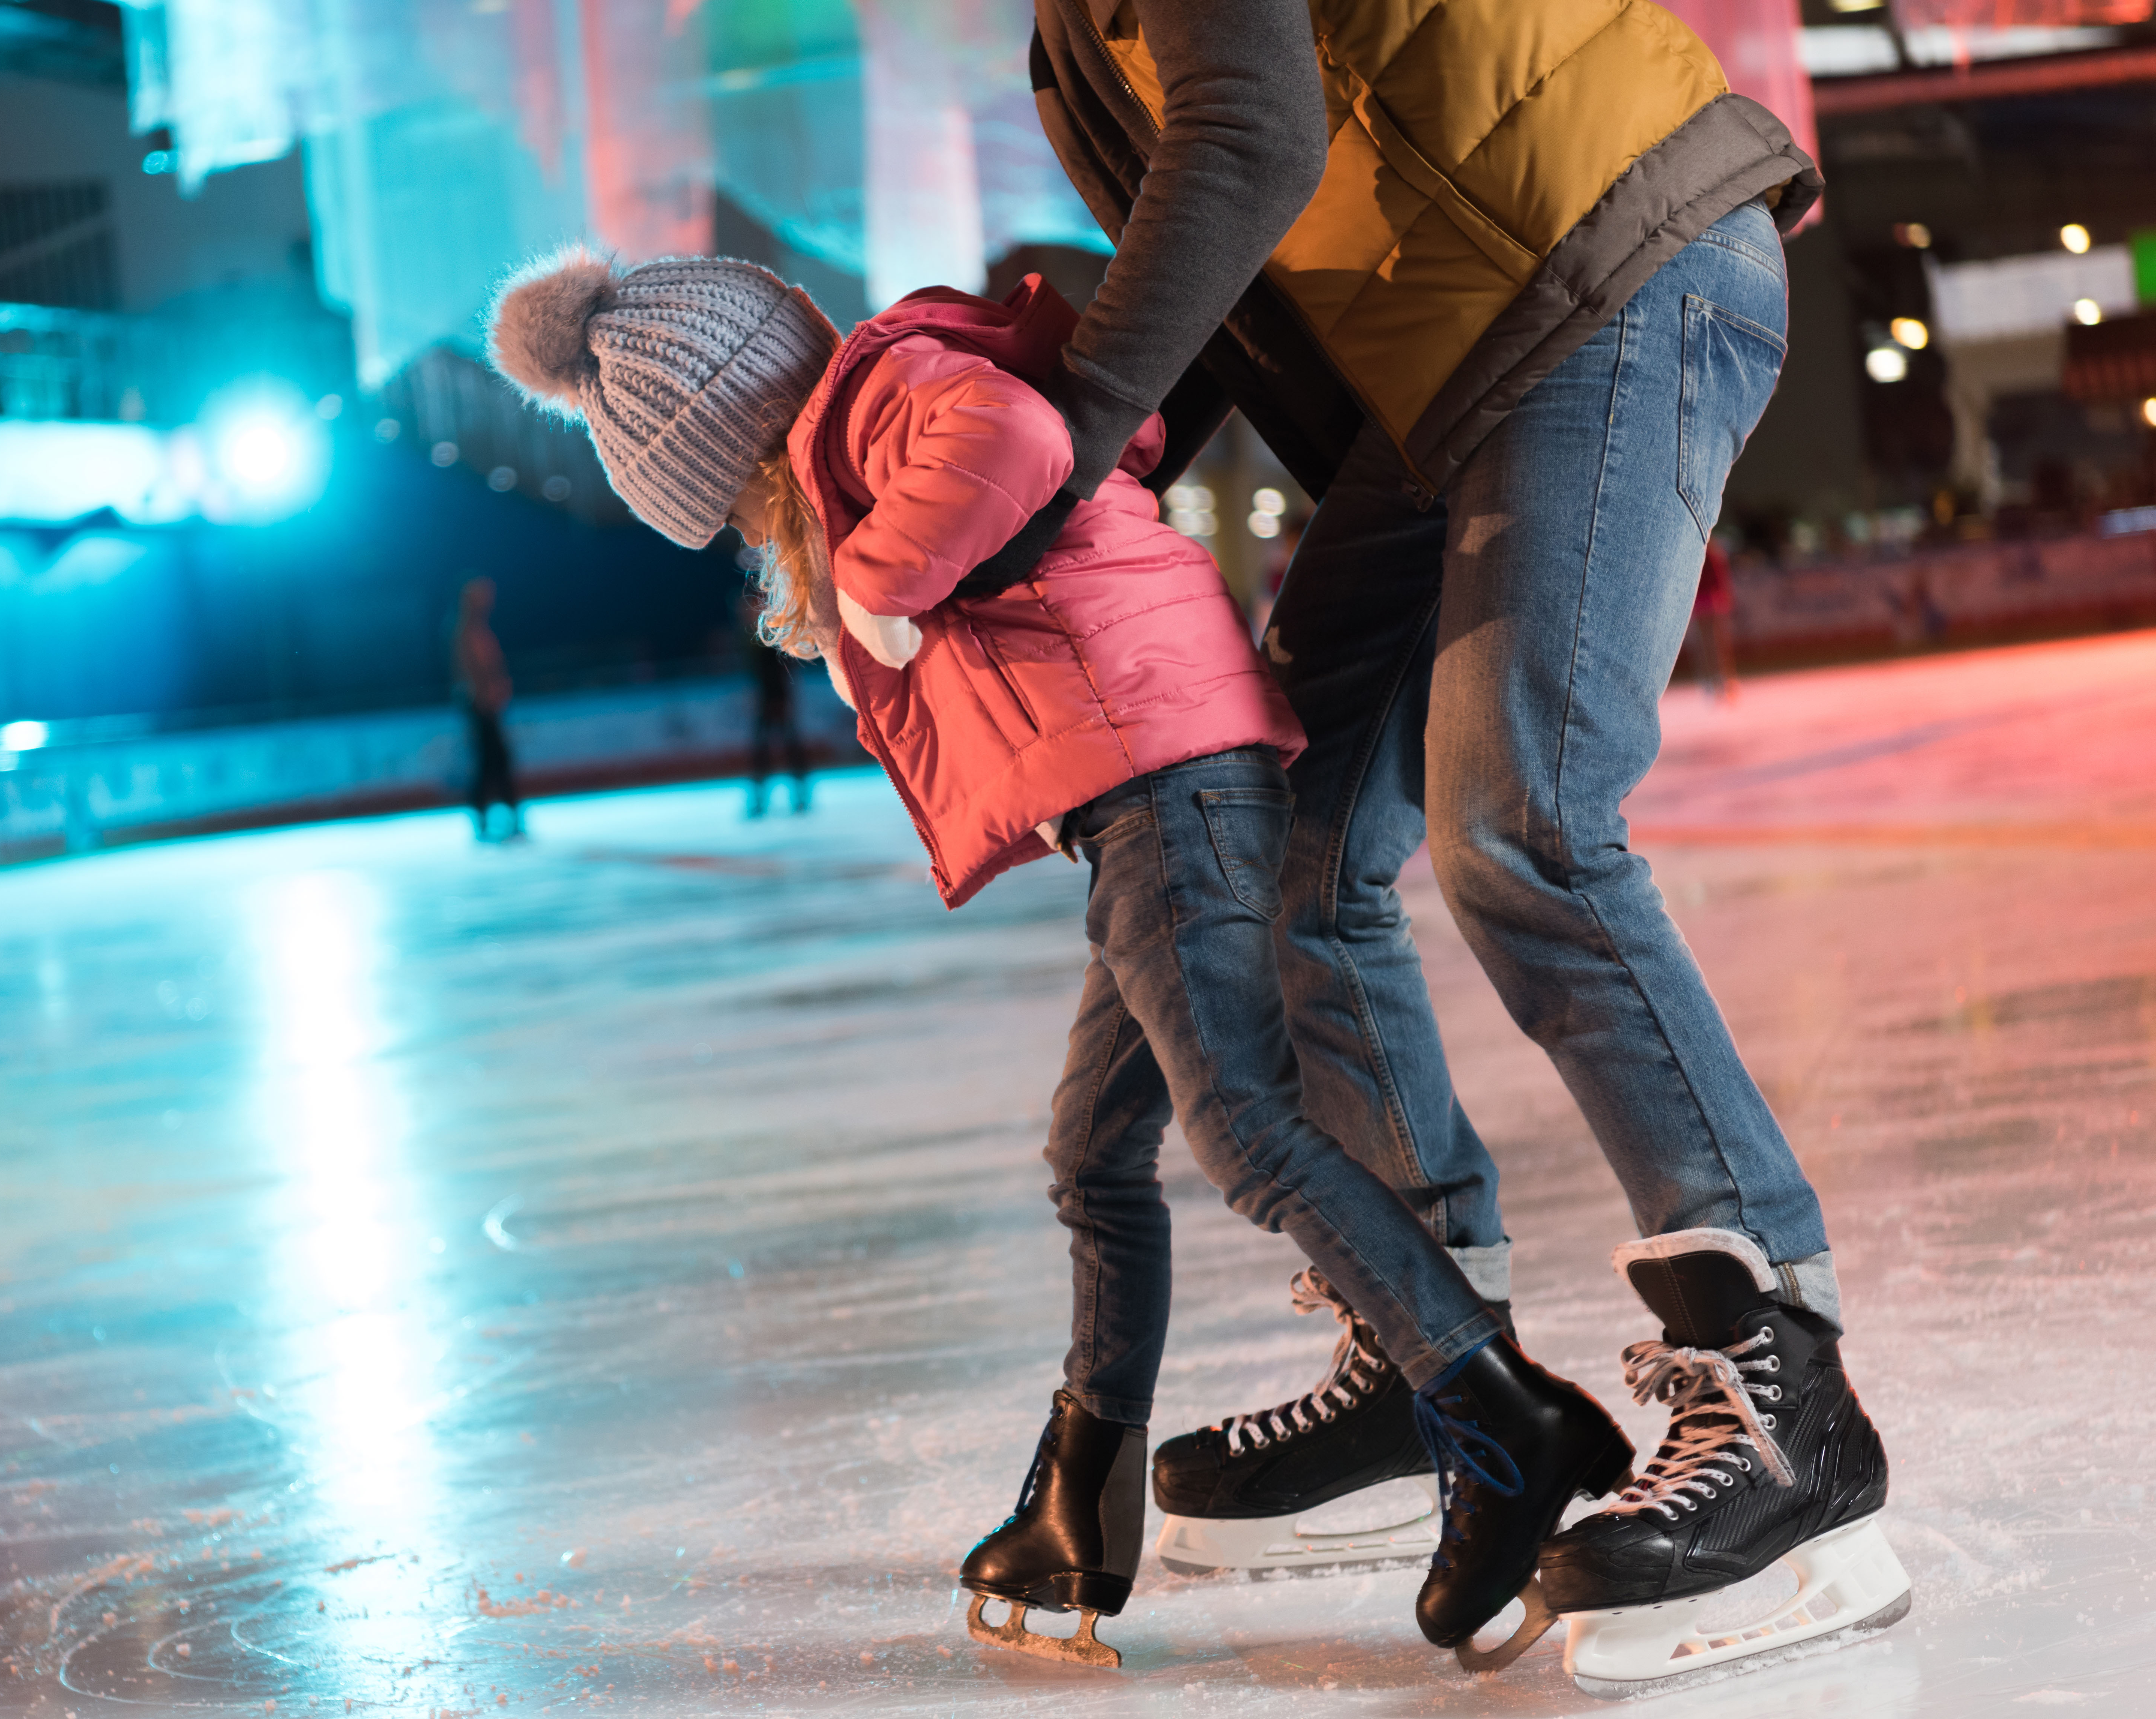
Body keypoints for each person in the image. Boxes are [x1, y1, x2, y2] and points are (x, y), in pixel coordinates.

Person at [484, 251, 1627, 1670]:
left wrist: (877, 574)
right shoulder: (865, 427)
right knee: (1092, 1150)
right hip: (1147, 790)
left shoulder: (880, 394)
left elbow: (1020, 439)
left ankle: (1492, 1406)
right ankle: (1083, 1502)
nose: (744, 531)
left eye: (724, 503)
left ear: (725, 435)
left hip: (1170, 781)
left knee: (1248, 1133)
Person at [1010, 0, 1906, 1692]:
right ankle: (1435, 1358)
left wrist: (1065, 429)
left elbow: (1255, 135)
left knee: (1523, 824)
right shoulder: (1066, 33)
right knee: (1284, 839)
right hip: (1453, 376)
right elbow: (1233, 248)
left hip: (1608, 260)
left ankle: (1783, 1387)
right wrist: (1069, 436)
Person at [451, 578, 522, 841]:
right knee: (492, 761)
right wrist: (486, 697)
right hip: (481, 706)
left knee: (495, 762)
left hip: (487, 704)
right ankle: (492, 818)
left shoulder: (477, 630)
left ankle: (503, 817)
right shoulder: (465, 631)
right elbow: (470, 671)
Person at [739, 588, 811, 816]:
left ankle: (799, 797)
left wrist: (783, 698)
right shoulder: (752, 636)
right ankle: (763, 800)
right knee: (765, 751)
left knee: (786, 748)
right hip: (766, 699)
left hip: (777, 697)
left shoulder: (772, 632)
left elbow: (783, 668)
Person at [1688, 533, 1741, 700]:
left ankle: (1715, 679)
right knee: (1715, 645)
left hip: (1706, 602)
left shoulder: (1701, 555)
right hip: (1710, 602)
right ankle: (1720, 679)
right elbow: (1720, 579)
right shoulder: (1713, 555)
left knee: (1709, 645)